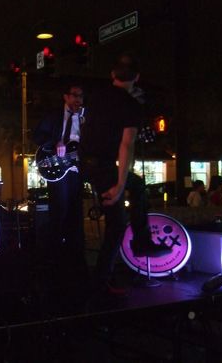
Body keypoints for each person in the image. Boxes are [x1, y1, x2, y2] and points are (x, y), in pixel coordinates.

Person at [78, 56, 142, 296]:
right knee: (117, 223)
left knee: (137, 186)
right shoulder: (131, 104)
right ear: (137, 77)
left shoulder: (97, 95)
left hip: (86, 162)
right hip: (103, 166)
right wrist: (120, 184)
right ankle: (100, 282)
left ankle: (142, 240)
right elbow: (127, 145)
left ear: (112, 75)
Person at [33, 81, 87, 288]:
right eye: (74, 95)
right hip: (58, 167)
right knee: (60, 210)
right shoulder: (54, 115)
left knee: (76, 212)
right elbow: (37, 135)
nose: (78, 99)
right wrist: (54, 143)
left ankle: (75, 258)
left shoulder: (86, 117)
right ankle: (54, 257)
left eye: (81, 96)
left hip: (78, 169)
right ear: (65, 96)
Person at [118, 54, 172, 258]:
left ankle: (138, 242)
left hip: (105, 163)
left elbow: (132, 139)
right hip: (106, 164)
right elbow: (126, 142)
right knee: (137, 188)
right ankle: (141, 242)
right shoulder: (126, 103)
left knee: (119, 217)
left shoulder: (111, 100)